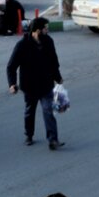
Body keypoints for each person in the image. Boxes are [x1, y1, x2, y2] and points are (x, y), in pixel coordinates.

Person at [7, 17, 65, 149]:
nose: (47, 30)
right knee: (29, 111)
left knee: (48, 111)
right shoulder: (22, 45)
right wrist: (12, 84)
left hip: (46, 84)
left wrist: (58, 78)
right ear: (37, 30)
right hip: (29, 86)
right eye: (45, 28)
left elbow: (54, 62)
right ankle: (29, 135)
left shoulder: (48, 42)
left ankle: (53, 140)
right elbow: (11, 66)